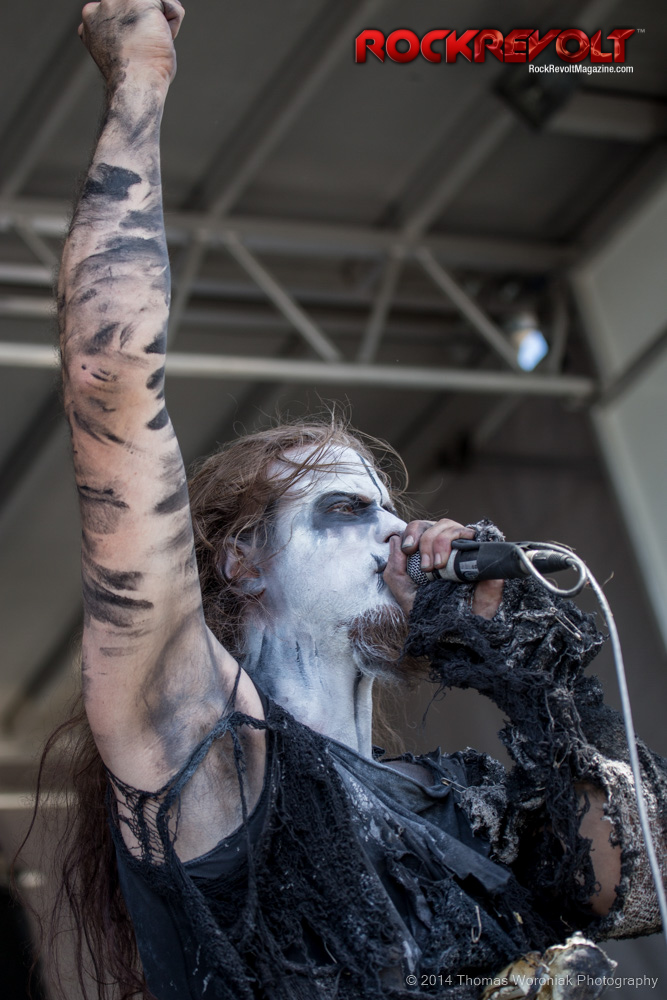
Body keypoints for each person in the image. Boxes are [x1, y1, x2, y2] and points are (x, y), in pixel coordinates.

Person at [49, 2, 666, 998]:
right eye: (344, 511)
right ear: (242, 561)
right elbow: (109, 384)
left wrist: (524, 670)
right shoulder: (209, 755)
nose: (397, 534)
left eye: (389, 508)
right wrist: (139, 81)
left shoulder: (456, 800)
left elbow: (635, 885)